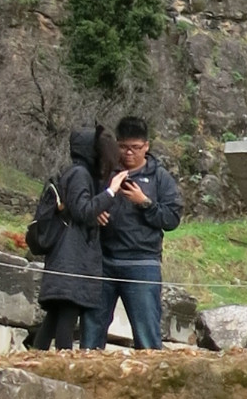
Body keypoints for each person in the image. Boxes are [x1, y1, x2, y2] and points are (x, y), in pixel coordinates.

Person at [93, 114, 182, 351]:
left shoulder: (160, 178)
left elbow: (172, 218)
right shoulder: (105, 171)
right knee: (92, 330)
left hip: (142, 262)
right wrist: (96, 211)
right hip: (103, 261)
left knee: (147, 334)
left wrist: (145, 202)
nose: (129, 153)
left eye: (135, 148)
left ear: (146, 147)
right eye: (123, 147)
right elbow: (84, 203)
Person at [23, 127, 108, 351]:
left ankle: (37, 357)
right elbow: (83, 210)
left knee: (55, 314)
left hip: (63, 255)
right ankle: (63, 361)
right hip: (71, 258)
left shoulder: (71, 173)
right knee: (67, 313)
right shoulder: (80, 174)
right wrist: (111, 193)